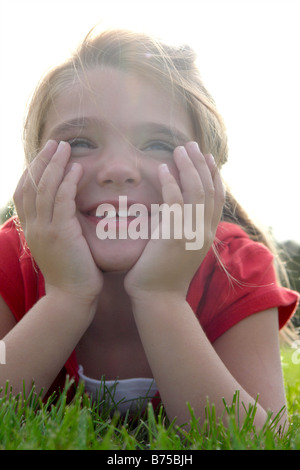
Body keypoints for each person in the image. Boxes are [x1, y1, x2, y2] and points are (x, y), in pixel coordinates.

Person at [0, 27, 298, 429]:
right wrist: (67, 296)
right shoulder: (10, 257)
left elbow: (265, 436)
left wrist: (161, 297)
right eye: (82, 141)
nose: (119, 170)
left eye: (159, 143)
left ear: (209, 173)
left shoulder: (238, 269)